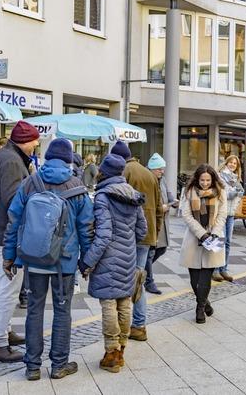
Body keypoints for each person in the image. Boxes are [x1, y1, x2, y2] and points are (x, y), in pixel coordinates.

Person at [3, 139, 94, 380]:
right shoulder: (78, 186)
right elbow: (86, 228)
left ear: (47, 157)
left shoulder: (30, 183)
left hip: (33, 259)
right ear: (68, 160)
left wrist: (9, 256)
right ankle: (58, 365)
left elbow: (13, 221)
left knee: (34, 310)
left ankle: (32, 366)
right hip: (64, 261)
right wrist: (86, 262)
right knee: (62, 311)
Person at [80, 154, 147, 373]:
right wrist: (127, 244)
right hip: (128, 257)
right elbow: (142, 230)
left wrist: (87, 262)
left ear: (104, 172)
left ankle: (111, 353)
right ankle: (122, 350)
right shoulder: (133, 195)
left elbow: (104, 236)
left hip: (108, 257)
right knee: (124, 302)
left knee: (109, 303)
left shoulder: (103, 196)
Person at [0, 120, 40, 362]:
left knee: (7, 286)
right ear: (25, 142)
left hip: (2, 232)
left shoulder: (8, 156)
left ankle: (4, 332)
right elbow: (13, 202)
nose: (37, 146)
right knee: (9, 289)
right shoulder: (11, 161)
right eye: (35, 143)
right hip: (8, 234)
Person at [110, 141, 162, 342]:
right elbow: (158, 207)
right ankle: (139, 324)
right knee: (139, 279)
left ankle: (124, 324)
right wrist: (155, 234)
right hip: (147, 234)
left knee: (125, 280)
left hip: (128, 234)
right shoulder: (149, 173)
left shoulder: (123, 172)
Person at [179, 164, 227, 323]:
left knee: (206, 277)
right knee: (194, 280)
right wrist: (202, 234)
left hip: (214, 236)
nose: (205, 183)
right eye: (202, 180)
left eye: (208, 180)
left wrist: (213, 234)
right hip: (194, 237)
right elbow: (186, 215)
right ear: (197, 179)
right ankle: (205, 303)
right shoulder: (189, 191)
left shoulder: (221, 192)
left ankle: (199, 309)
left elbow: (222, 215)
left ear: (213, 179)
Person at [144, 153, 175, 295]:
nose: (162, 171)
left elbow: (169, 196)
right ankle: (148, 281)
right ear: (152, 169)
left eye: (163, 169)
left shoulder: (162, 179)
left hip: (162, 221)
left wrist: (173, 203)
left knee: (161, 249)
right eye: (160, 169)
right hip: (151, 220)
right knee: (150, 252)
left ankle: (142, 270)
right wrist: (161, 207)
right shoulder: (147, 179)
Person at [215, 155, 244, 282]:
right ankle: (215, 270)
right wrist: (235, 194)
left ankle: (224, 269)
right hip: (221, 213)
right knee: (219, 241)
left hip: (231, 214)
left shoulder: (236, 178)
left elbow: (240, 194)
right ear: (226, 163)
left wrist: (237, 194)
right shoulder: (220, 176)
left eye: (235, 164)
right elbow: (222, 194)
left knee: (227, 242)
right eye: (231, 162)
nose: (233, 165)